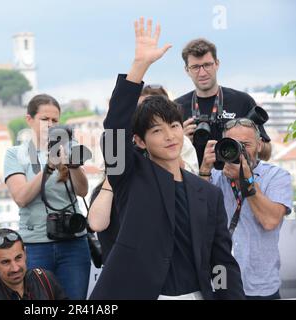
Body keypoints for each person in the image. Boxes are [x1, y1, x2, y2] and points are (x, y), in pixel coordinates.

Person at [89, 17, 244, 300]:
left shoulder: (206, 193)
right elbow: (113, 132)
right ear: (139, 141)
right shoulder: (129, 177)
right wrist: (139, 66)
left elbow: (220, 262)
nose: (170, 136)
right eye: (157, 130)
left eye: (173, 126)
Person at [88, 84, 198, 265]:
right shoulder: (113, 175)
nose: (168, 136)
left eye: (171, 127)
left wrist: (171, 155)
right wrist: (115, 172)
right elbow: (98, 223)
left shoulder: (177, 156)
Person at [4, 95, 91, 299]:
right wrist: (49, 167)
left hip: (74, 242)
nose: (50, 125)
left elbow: (83, 191)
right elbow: (21, 197)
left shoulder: (70, 147)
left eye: (55, 120)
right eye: (45, 119)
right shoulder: (15, 153)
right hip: (36, 244)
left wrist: (73, 164)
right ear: (30, 120)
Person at [199, 118, 293, 299]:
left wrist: (246, 180)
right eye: (233, 144)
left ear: (259, 145)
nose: (239, 151)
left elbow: (270, 221)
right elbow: (197, 216)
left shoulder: (276, 176)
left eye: (245, 144)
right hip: (221, 278)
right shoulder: (215, 176)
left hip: (261, 284)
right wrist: (204, 170)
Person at [175, 38, 272, 166]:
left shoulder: (242, 101)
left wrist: (244, 142)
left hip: (236, 180)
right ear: (187, 70)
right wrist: (182, 141)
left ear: (217, 64)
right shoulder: (176, 107)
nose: (202, 73)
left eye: (207, 65)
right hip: (194, 181)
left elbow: (267, 153)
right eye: (195, 67)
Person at [0, 228, 67, 300]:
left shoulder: (45, 279)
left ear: (25, 254)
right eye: (5, 262)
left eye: (18, 258)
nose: (15, 268)